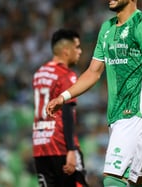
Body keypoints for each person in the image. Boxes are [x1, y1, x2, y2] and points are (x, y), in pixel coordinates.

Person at [46, 0, 142, 187]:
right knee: (140, 180)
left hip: (135, 113)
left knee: (112, 180)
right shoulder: (107, 28)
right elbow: (93, 72)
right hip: (116, 115)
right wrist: (63, 96)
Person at [32, 29, 89, 187]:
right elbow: (67, 112)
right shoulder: (66, 75)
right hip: (61, 145)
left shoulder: (39, 74)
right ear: (66, 50)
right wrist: (71, 149)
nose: (80, 51)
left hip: (40, 146)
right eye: (77, 47)